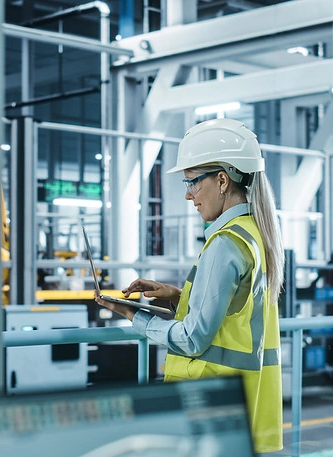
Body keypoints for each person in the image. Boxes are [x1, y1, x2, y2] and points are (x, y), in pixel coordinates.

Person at [94, 118, 284, 453]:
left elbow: (194, 339)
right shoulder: (254, 234)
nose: (188, 195)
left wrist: (133, 315)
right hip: (246, 400)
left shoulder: (225, 243)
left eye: (193, 182)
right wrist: (177, 297)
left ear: (222, 180)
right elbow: (235, 310)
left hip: (210, 402)